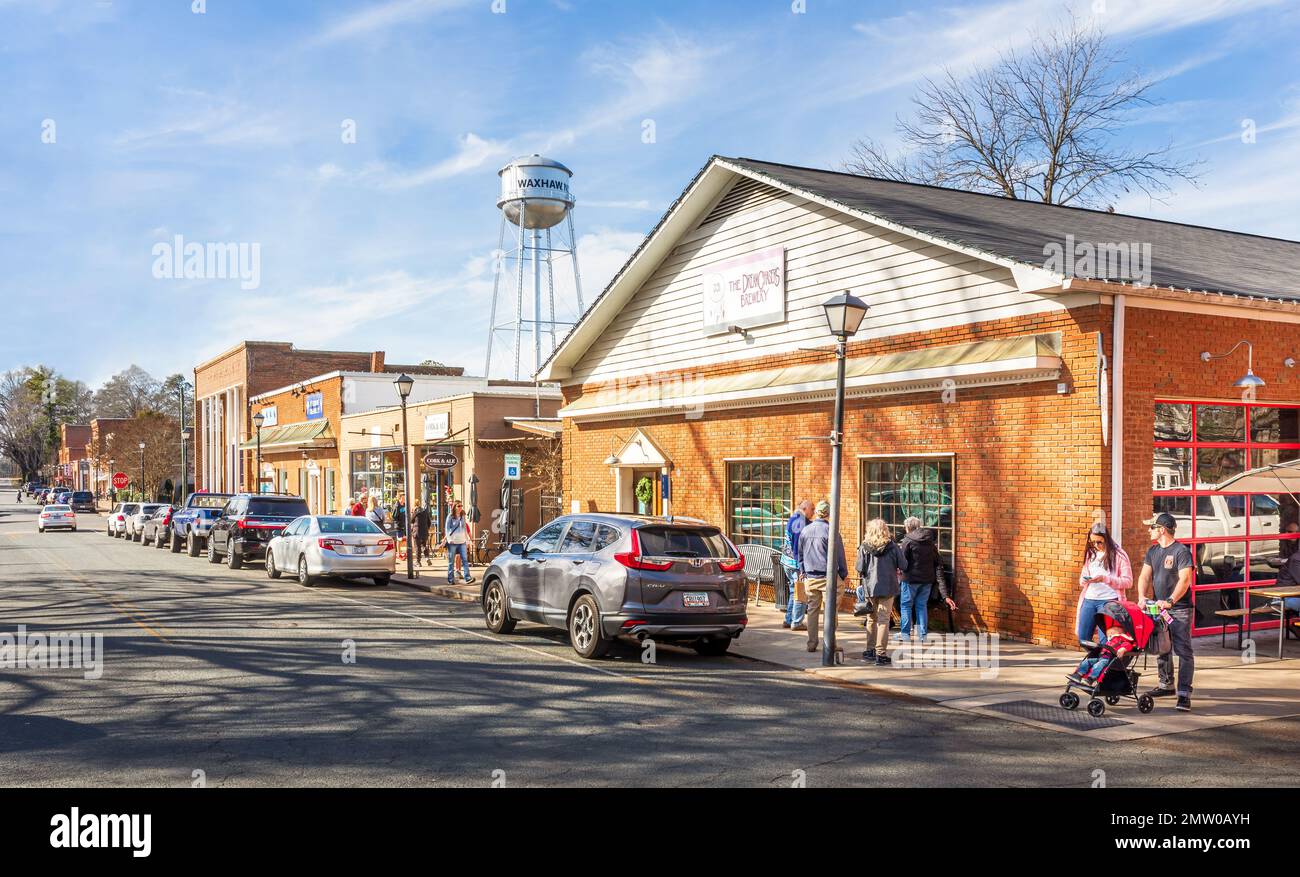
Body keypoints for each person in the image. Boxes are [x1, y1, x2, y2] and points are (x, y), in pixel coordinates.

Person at [1137, 511, 1195, 712]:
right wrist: (1142, 597)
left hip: (1179, 610)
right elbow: (1145, 576)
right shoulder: (1152, 552)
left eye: (1151, 527)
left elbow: (1185, 580)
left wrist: (1171, 600)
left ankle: (1184, 694)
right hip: (1158, 609)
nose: (1148, 530)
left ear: (1161, 530)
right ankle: (1166, 685)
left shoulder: (1181, 552)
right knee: (1162, 646)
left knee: (1183, 651)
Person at [797, 500, 848, 653]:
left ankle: (811, 643)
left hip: (810, 577)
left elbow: (799, 554)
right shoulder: (831, 531)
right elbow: (840, 556)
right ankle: (830, 643)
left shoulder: (805, 530)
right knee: (830, 611)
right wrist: (843, 574)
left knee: (812, 611)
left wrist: (803, 572)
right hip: (828, 578)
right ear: (828, 514)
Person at [854, 517, 904, 665]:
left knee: (871, 618)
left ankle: (870, 650)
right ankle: (881, 654)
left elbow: (859, 568)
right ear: (885, 530)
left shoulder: (864, 547)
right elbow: (903, 564)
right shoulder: (893, 547)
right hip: (888, 587)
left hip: (870, 587)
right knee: (883, 620)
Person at [899, 517, 957, 641]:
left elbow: (902, 562)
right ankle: (922, 635)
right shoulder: (930, 542)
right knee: (921, 606)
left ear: (908, 527)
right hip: (927, 581)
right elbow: (937, 563)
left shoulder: (907, 541)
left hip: (910, 580)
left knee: (906, 606)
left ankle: (905, 634)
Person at [1076, 522, 1133, 645]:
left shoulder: (1119, 555)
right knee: (1083, 639)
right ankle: (1096, 661)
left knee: (1106, 641)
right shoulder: (1090, 553)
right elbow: (1083, 574)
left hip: (1109, 601)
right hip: (1089, 599)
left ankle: (1103, 663)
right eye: (1093, 542)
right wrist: (1084, 579)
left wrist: (1105, 579)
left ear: (1106, 539)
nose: (1096, 545)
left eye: (1099, 542)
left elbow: (1128, 581)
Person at [1067, 610, 1138, 689]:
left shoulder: (1123, 641)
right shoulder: (1110, 641)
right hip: (1101, 657)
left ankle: (1091, 678)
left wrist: (1122, 649)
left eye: (1112, 632)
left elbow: (1127, 645)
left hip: (1111, 660)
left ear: (1120, 633)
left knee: (1098, 665)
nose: (1109, 634)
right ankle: (1079, 674)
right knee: (1087, 662)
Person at [782, 500, 813, 630]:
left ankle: (789, 619)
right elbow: (796, 548)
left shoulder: (795, 518)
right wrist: (801, 568)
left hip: (787, 562)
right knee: (801, 592)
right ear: (805, 509)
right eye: (812, 509)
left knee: (794, 591)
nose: (813, 512)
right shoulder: (799, 523)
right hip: (795, 564)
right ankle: (797, 622)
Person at [445, 500, 474, 585]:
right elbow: (447, 529)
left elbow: (464, 529)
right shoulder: (450, 516)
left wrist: (467, 540)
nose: (460, 507)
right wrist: (449, 539)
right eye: (459, 506)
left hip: (462, 542)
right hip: (453, 542)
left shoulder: (462, 516)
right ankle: (450, 579)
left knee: (465, 560)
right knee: (451, 561)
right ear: (454, 507)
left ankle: (467, 578)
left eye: (461, 506)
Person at [412, 500, 433, 567]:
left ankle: (418, 562)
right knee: (424, 545)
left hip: (417, 531)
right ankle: (427, 558)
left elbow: (411, 520)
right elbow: (429, 522)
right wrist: (427, 528)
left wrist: (413, 512)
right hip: (424, 531)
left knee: (417, 546)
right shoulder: (425, 511)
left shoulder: (415, 512)